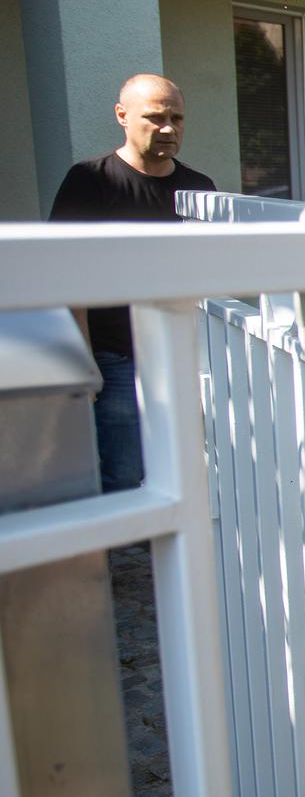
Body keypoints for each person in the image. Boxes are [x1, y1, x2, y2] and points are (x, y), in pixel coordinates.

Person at [49, 74, 216, 492]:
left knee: (182, 464)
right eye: (155, 117)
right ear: (122, 116)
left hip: (181, 351)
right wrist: (82, 359)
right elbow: (67, 277)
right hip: (115, 355)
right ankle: (128, 555)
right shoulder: (91, 181)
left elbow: (210, 273)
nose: (168, 129)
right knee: (123, 470)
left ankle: (163, 550)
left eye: (177, 118)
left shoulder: (198, 189)